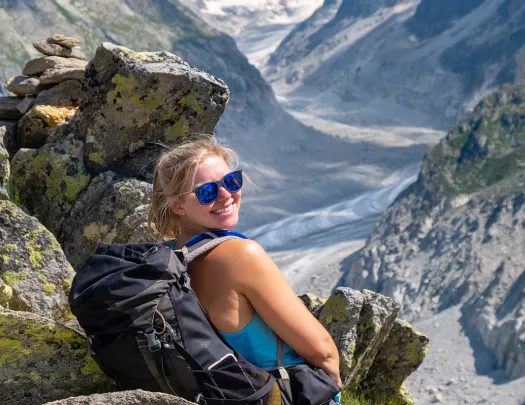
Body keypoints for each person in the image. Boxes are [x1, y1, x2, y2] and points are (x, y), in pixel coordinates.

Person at [147, 133, 343, 391]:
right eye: (207, 192)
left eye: (231, 180)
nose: (226, 195)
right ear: (177, 206)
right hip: (277, 391)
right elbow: (323, 351)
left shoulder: (168, 259)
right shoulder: (240, 255)